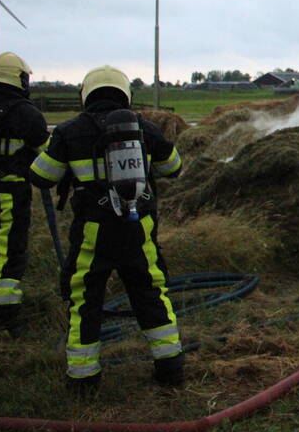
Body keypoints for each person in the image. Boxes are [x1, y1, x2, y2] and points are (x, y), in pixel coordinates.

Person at [30, 65, 184, 391]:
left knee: (85, 300)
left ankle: (84, 380)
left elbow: (42, 176)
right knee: (151, 292)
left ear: (86, 94)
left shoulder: (69, 131)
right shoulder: (144, 127)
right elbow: (174, 167)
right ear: (125, 93)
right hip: (137, 227)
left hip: (93, 231)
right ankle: (170, 369)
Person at [0, 52, 49, 336]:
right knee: (10, 251)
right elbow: (46, 154)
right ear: (17, 77)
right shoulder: (25, 112)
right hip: (11, 191)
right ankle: (4, 316)